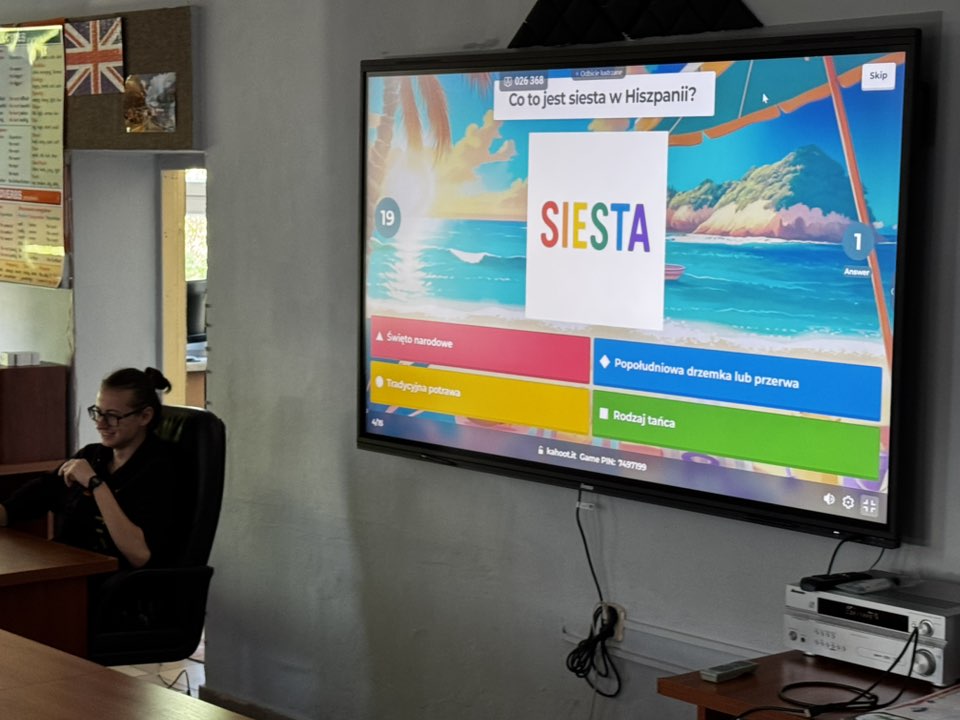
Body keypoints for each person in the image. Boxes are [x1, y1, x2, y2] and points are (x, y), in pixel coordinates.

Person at [0, 367, 180, 570]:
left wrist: (96, 485)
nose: (100, 424)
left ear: (145, 416)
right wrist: (5, 511)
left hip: (110, 580)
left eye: (112, 416)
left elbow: (140, 555)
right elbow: (44, 490)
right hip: (66, 566)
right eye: (98, 413)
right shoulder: (93, 455)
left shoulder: (162, 469)